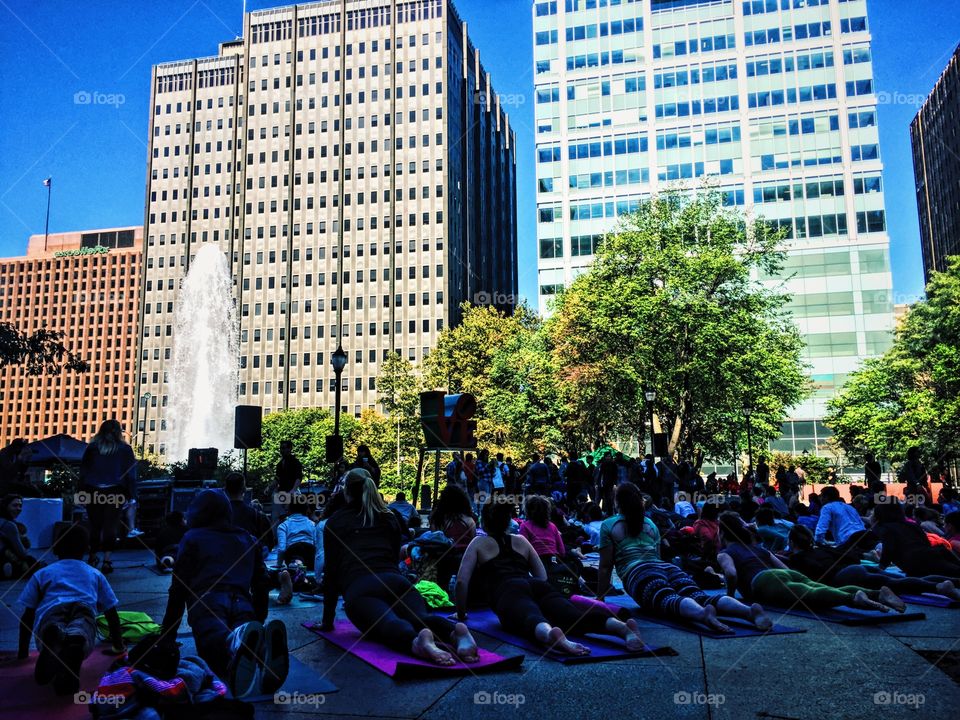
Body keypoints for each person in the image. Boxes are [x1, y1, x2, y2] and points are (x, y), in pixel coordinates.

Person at [320, 469, 479, 665]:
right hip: (396, 583)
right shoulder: (389, 517)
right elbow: (395, 556)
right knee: (420, 616)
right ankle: (455, 633)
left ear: (347, 492)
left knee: (388, 623)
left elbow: (331, 573)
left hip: (361, 588)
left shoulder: (335, 521)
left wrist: (327, 621)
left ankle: (418, 643)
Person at [456, 500, 646, 655]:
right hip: (536, 585)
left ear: (485, 522)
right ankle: (620, 628)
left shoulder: (478, 543)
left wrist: (462, 612)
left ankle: (549, 635)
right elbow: (542, 574)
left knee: (529, 618)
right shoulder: (520, 541)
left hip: (508, 591)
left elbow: (461, 582)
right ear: (507, 521)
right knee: (573, 616)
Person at [161, 489, 288, 697]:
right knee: (245, 634)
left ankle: (234, 642)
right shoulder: (247, 538)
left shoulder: (192, 538)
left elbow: (178, 590)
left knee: (215, 652)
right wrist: (259, 620)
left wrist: (167, 636)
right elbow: (261, 584)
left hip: (208, 603)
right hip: (242, 602)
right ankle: (261, 647)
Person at [597, 483, 771, 632]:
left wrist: (600, 599)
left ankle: (702, 614)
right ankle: (748, 611)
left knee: (667, 599)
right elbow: (657, 556)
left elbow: (605, 566)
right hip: (667, 568)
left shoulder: (609, 525)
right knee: (700, 596)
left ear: (617, 502)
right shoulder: (650, 524)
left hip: (639, 572)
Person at [717, 512, 904, 613]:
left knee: (811, 596)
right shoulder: (759, 549)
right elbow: (784, 567)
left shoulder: (726, 553)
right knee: (816, 589)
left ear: (722, 533)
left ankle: (852, 599)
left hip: (764, 581)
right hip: (787, 574)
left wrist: (731, 595)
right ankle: (877, 593)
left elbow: (731, 573)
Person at [17, 524, 125, 695]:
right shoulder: (94, 574)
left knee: (51, 624)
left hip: (52, 609)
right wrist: (119, 645)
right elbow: (111, 613)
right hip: (84, 608)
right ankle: (75, 641)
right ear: (86, 549)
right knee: (82, 627)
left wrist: (23, 653)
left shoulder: (43, 573)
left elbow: (28, 614)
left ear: (56, 549)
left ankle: (54, 636)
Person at [786, 524, 960, 601]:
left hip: (844, 576)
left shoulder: (797, 558)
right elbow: (846, 554)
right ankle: (952, 582)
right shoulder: (820, 549)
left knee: (895, 583)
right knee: (895, 579)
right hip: (853, 568)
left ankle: (938, 588)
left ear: (792, 543)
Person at [79, 420, 138, 574]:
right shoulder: (125, 449)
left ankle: (92, 557)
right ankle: (107, 560)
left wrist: (81, 494)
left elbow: (83, 473)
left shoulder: (92, 448)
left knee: (95, 525)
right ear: (119, 431)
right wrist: (131, 495)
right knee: (111, 525)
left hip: (93, 491)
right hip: (115, 492)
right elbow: (130, 474)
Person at [871, 500, 960, 579]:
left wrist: (881, 567)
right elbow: (926, 543)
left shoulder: (887, 528)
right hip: (932, 554)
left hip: (915, 563)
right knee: (952, 569)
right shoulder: (912, 525)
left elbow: (888, 550)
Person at [1, 493, 43, 579]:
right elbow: (22, 553)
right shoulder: (9, 525)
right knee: (32, 562)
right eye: (15, 505)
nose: (19, 509)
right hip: (4, 554)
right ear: (5, 507)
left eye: (20, 506)